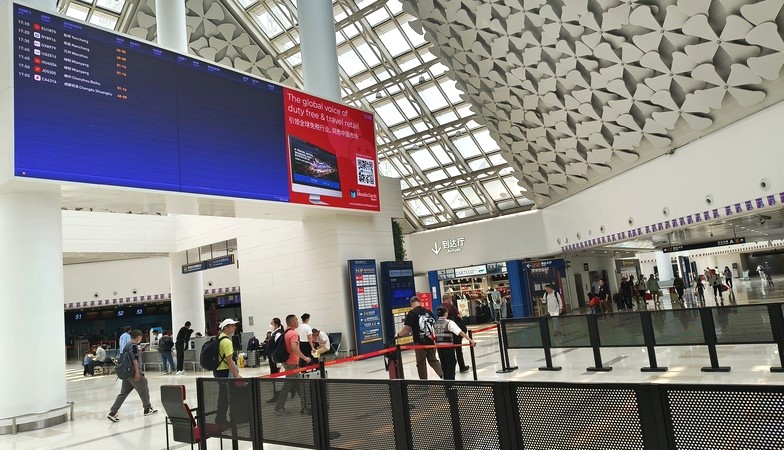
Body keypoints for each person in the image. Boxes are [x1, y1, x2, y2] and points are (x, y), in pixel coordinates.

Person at [107, 329, 158, 422]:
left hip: (126, 374)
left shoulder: (127, 345)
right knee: (144, 389)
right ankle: (147, 408)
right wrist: (137, 372)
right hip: (133, 373)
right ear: (138, 337)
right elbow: (134, 360)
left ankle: (113, 412)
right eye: (141, 337)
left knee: (123, 394)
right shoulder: (133, 346)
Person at [396, 296, 443, 380]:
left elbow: (406, 329)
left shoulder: (412, 313)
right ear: (419, 302)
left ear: (411, 304)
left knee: (421, 363)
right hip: (431, 341)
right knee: (433, 360)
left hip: (420, 343)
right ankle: (443, 376)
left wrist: (399, 335)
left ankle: (424, 383)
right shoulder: (428, 311)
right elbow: (434, 324)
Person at [274, 315, 312, 416]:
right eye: (296, 320)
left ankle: (307, 405)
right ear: (292, 322)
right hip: (291, 364)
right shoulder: (293, 333)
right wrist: (304, 357)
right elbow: (294, 348)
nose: (298, 321)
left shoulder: (286, 332)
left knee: (297, 384)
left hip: (288, 362)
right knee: (288, 385)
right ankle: (279, 406)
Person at [433, 306, 476, 380]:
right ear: (445, 313)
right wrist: (470, 340)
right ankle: (450, 382)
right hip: (448, 347)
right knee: (451, 363)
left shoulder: (434, 324)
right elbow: (460, 332)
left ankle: (446, 381)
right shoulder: (449, 323)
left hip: (439, 348)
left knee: (443, 364)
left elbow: (433, 336)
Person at [214, 318, 242, 425]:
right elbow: (230, 361)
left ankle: (220, 419)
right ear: (226, 328)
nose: (234, 327)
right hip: (224, 371)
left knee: (223, 396)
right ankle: (221, 420)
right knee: (225, 397)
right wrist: (237, 374)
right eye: (232, 326)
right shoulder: (226, 341)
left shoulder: (219, 338)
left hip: (217, 370)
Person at [443, 294, 470, 372]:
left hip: (445, 333)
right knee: (458, 350)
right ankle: (462, 367)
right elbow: (459, 316)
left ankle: (448, 368)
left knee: (448, 352)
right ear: (448, 300)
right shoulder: (452, 307)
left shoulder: (440, 307)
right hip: (454, 332)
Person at [265, 318, 284, 403]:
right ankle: (276, 395)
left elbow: (279, 347)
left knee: (276, 377)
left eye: (272, 323)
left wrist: (278, 360)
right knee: (274, 377)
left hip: (275, 359)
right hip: (272, 358)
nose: (270, 325)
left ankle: (278, 396)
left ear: (276, 325)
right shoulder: (273, 334)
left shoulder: (278, 334)